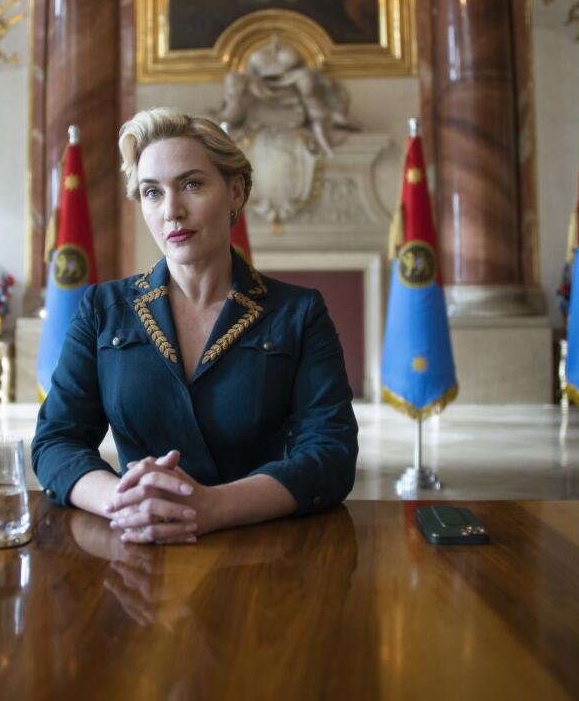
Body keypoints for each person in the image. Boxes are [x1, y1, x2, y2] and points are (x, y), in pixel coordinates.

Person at [31, 107, 358, 544]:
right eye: (152, 193)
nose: (172, 211)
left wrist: (213, 508)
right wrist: (126, 502)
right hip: (134, 544)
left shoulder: (299, 312)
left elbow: (330, 454)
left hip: (261, 551)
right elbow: (56, 441)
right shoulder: (102, 308)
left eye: (191, 184)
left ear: (235, 192)